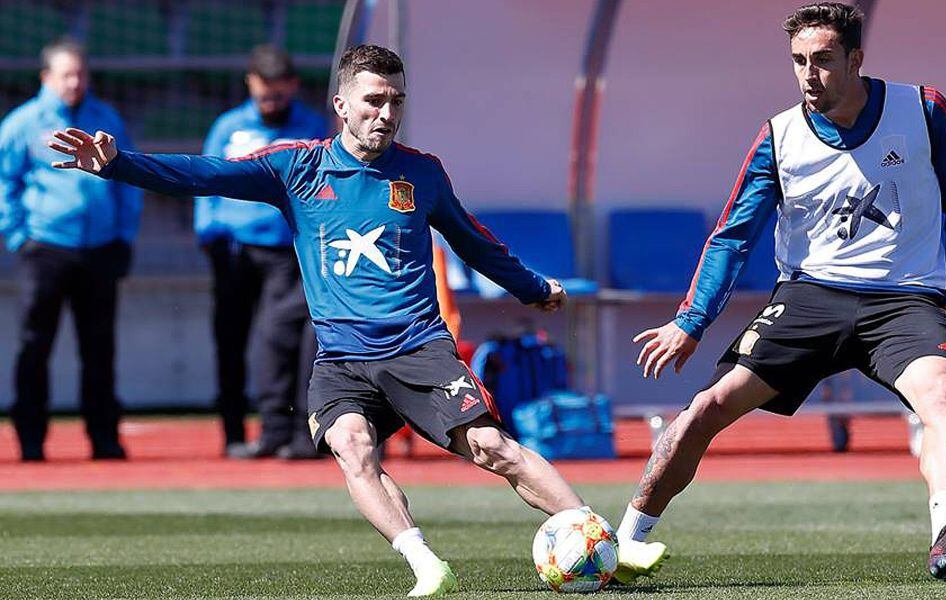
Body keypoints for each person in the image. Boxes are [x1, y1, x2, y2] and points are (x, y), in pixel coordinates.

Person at [49, 44, 585, 597]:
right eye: (373, 100)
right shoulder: (296, 166)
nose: (386, 113)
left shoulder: (422, 173)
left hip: (417, 347)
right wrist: (118, 164)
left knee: (492, 448)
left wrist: (532, 287)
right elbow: (202, 174)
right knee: (352, 447)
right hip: (342, 358)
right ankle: (427, 565)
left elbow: (473, 241)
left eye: (396, 101)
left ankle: (599, 538)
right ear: (341, 105)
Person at [612, 2, 946, 584]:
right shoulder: (779, 135)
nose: (808, 75)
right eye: (798, 61)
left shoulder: (923, 109)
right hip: (808, 298)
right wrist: (689, 323)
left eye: (822, 60)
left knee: (941, 392)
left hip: (905, 300)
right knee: (706, 409)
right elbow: (732, 238)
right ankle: (623, 542)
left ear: (856, 59)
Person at [0, 38, 141, 462]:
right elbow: (5, 184)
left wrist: (124, 236)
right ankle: (30, 440)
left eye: (81, 73)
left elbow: (127, 178)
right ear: (46, 78)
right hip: (45, 248)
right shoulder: (22, 124)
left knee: (99, 348)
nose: (75, 82)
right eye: (66, 74)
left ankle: (104, 438)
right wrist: (18, 238)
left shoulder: (105, 118)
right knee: (34, 345)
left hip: (99, 250)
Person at [196, 45, 326, 459]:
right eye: (264, 94)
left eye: (279, 94)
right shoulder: (229, 127)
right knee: (230, 340)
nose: (271, 102)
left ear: (293, 86)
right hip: (233, 251)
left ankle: (286, 429)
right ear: (250, 83)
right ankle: (234, 430)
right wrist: (209, 235)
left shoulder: (311, 127)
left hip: (288, 255)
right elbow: (205, 179)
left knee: (282, 341)